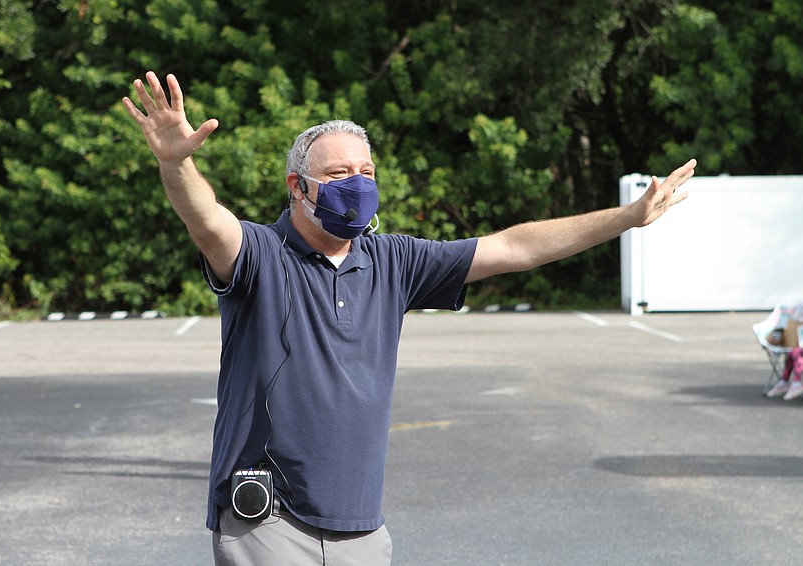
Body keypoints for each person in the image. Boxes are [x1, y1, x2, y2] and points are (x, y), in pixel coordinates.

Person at [122, 71, 697, 565]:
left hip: (362, 527)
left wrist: (626, 218)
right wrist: (177, 165)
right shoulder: (260, 256)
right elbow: (208, 223)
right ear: (298, 187)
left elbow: (515, 247)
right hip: (269, 523)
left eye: (367, 172)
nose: (359, 184)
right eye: (341, 173)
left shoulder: (394, 260)